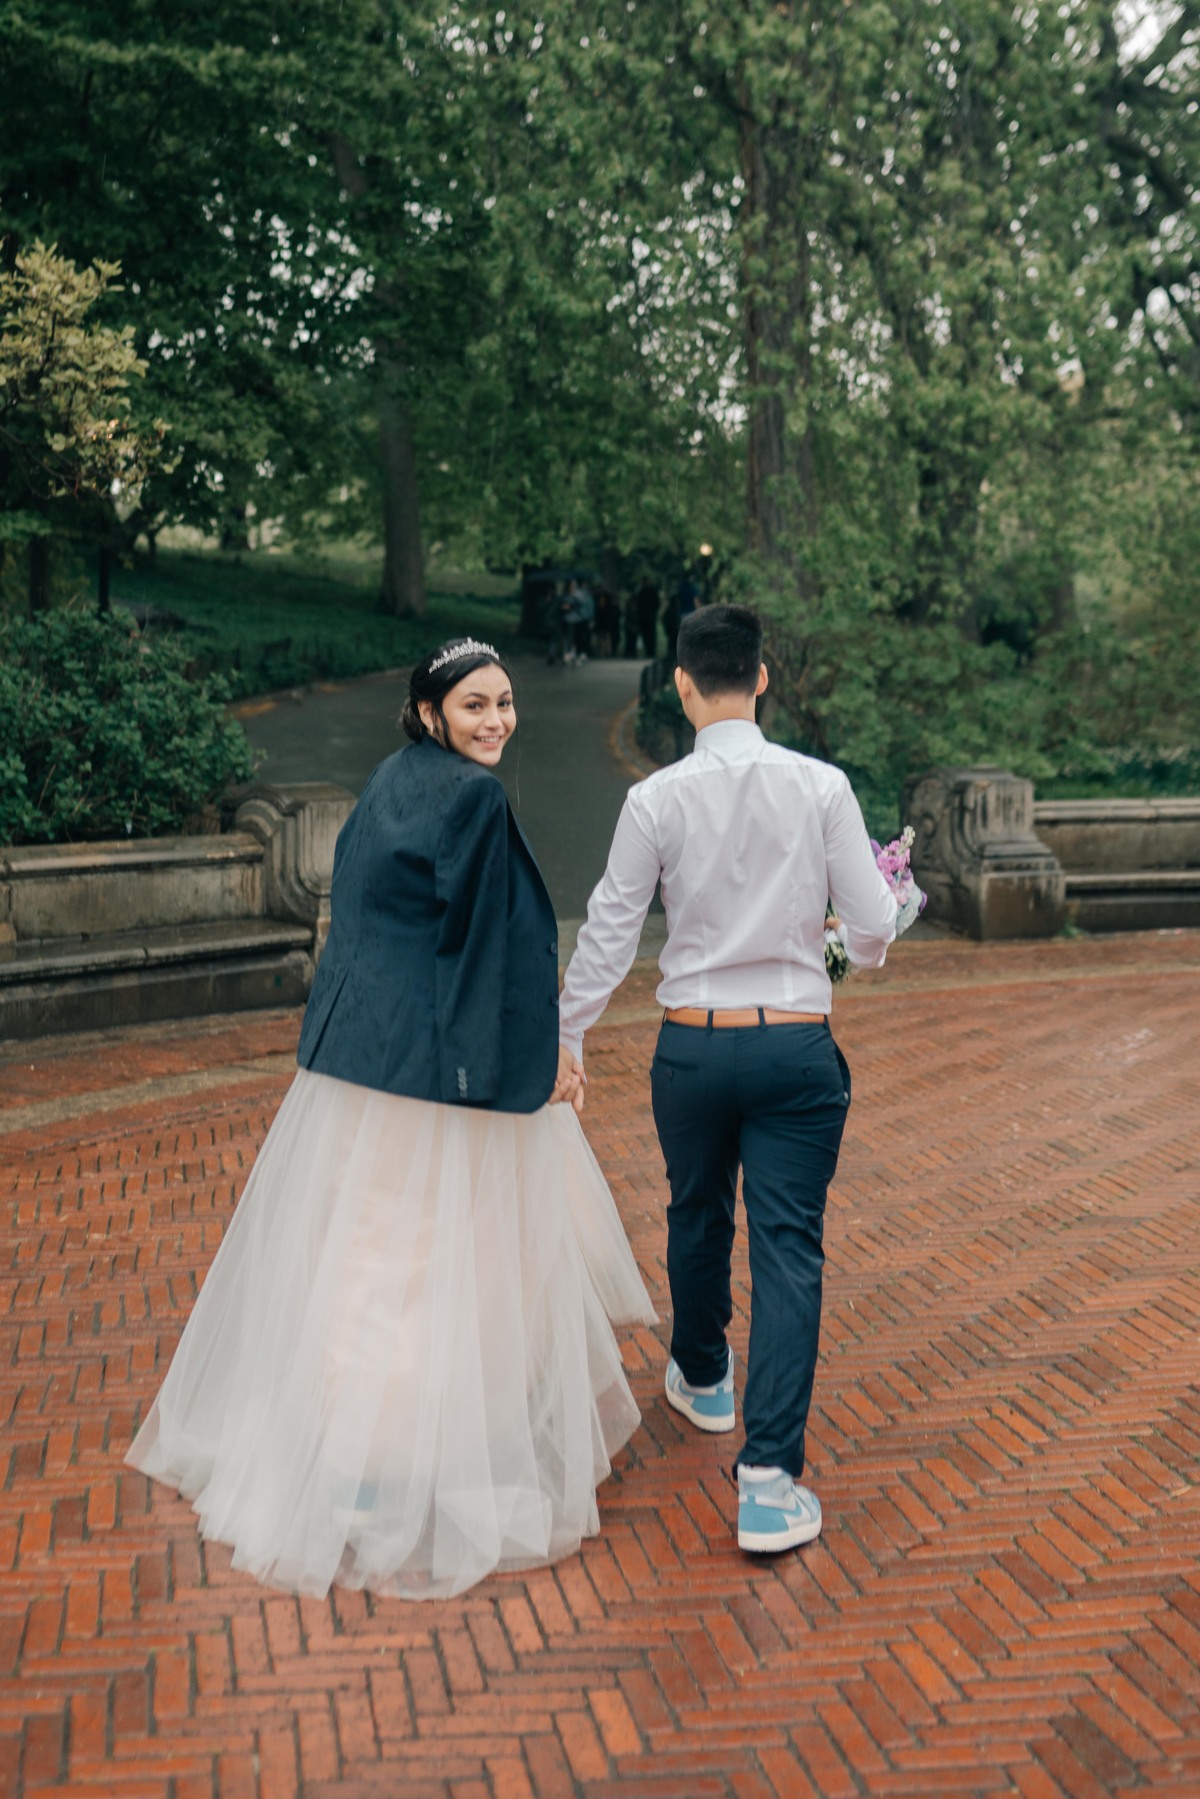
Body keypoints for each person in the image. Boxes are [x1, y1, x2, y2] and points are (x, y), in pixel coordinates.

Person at [127, 637, 655, 1601]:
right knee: (442, 1263)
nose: (495, 720)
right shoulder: (475, 799)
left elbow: (368, 924)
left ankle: (349, 1447)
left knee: (364, 1256)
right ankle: (411, 1459)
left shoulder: (392, 780)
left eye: (504, 703)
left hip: (362, 1063)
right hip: (439, 1070)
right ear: (429, 714)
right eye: (473, 707)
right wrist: (544, 1065)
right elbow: (490, 951)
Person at [557, 605, 896, 1556]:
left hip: (693, 1048)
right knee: (789, 1246)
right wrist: (865, 923)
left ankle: (703, 1377)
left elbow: (611, 930)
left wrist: (565, 1033)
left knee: (696, 1209)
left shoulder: (654, 800)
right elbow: (869, 940)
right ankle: (768, 1479)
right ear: (763, 677)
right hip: (793, 1049)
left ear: (680, 683)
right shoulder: (822, 787)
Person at [635, 577, 660, 659]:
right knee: (651, 635)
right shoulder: (653, 591)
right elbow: (657, 604)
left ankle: (648, 651)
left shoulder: (641, 592)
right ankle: (651, 651)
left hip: (643, 617)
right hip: (651, 616)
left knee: (646, 635)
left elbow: (638, 605)